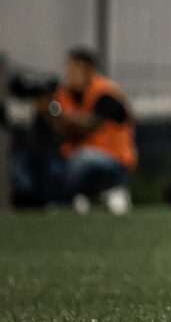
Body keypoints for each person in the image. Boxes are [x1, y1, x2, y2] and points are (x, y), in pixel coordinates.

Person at [40, 48, 136, 214]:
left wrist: (58, 113)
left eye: (75, 69)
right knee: (46, 160)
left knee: (82, 157)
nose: (70, 75)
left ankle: (68, 198)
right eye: (69, 69)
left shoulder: (106, 93)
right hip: (74, 159)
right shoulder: (64, 94)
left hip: (113, 161)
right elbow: (55, 126)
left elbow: (90, 124)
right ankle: (77, 197)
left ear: (90, 70)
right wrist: (44, 110)